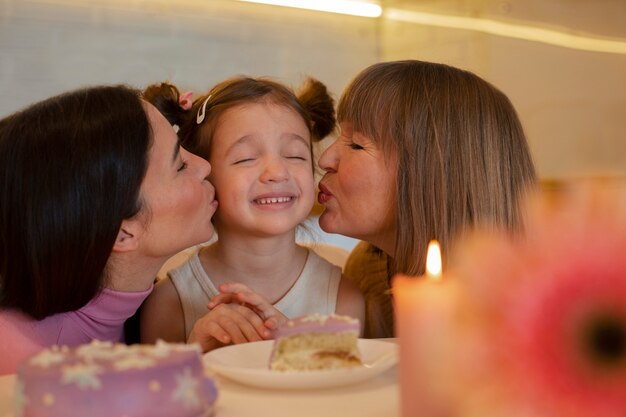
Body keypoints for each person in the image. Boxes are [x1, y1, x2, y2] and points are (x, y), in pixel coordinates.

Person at [0, 85, 218, 374]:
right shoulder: (22, 369)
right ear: (122, 234)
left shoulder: (144, 313)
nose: (204, 165)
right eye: (180, 166)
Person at [140, 77, 365, 351]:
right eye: (246, 158)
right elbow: (162, 393)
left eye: (295, 155)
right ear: (204, 175)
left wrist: (295, 348)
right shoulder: (169, 303)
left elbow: (347, 390)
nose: (277, 172)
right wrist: (196, 353)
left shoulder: (343, 298)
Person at [317, 60, 537, 338]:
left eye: (357, 144)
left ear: (432, 171)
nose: (325, 159)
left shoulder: (525, 308)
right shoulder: (366, 270)